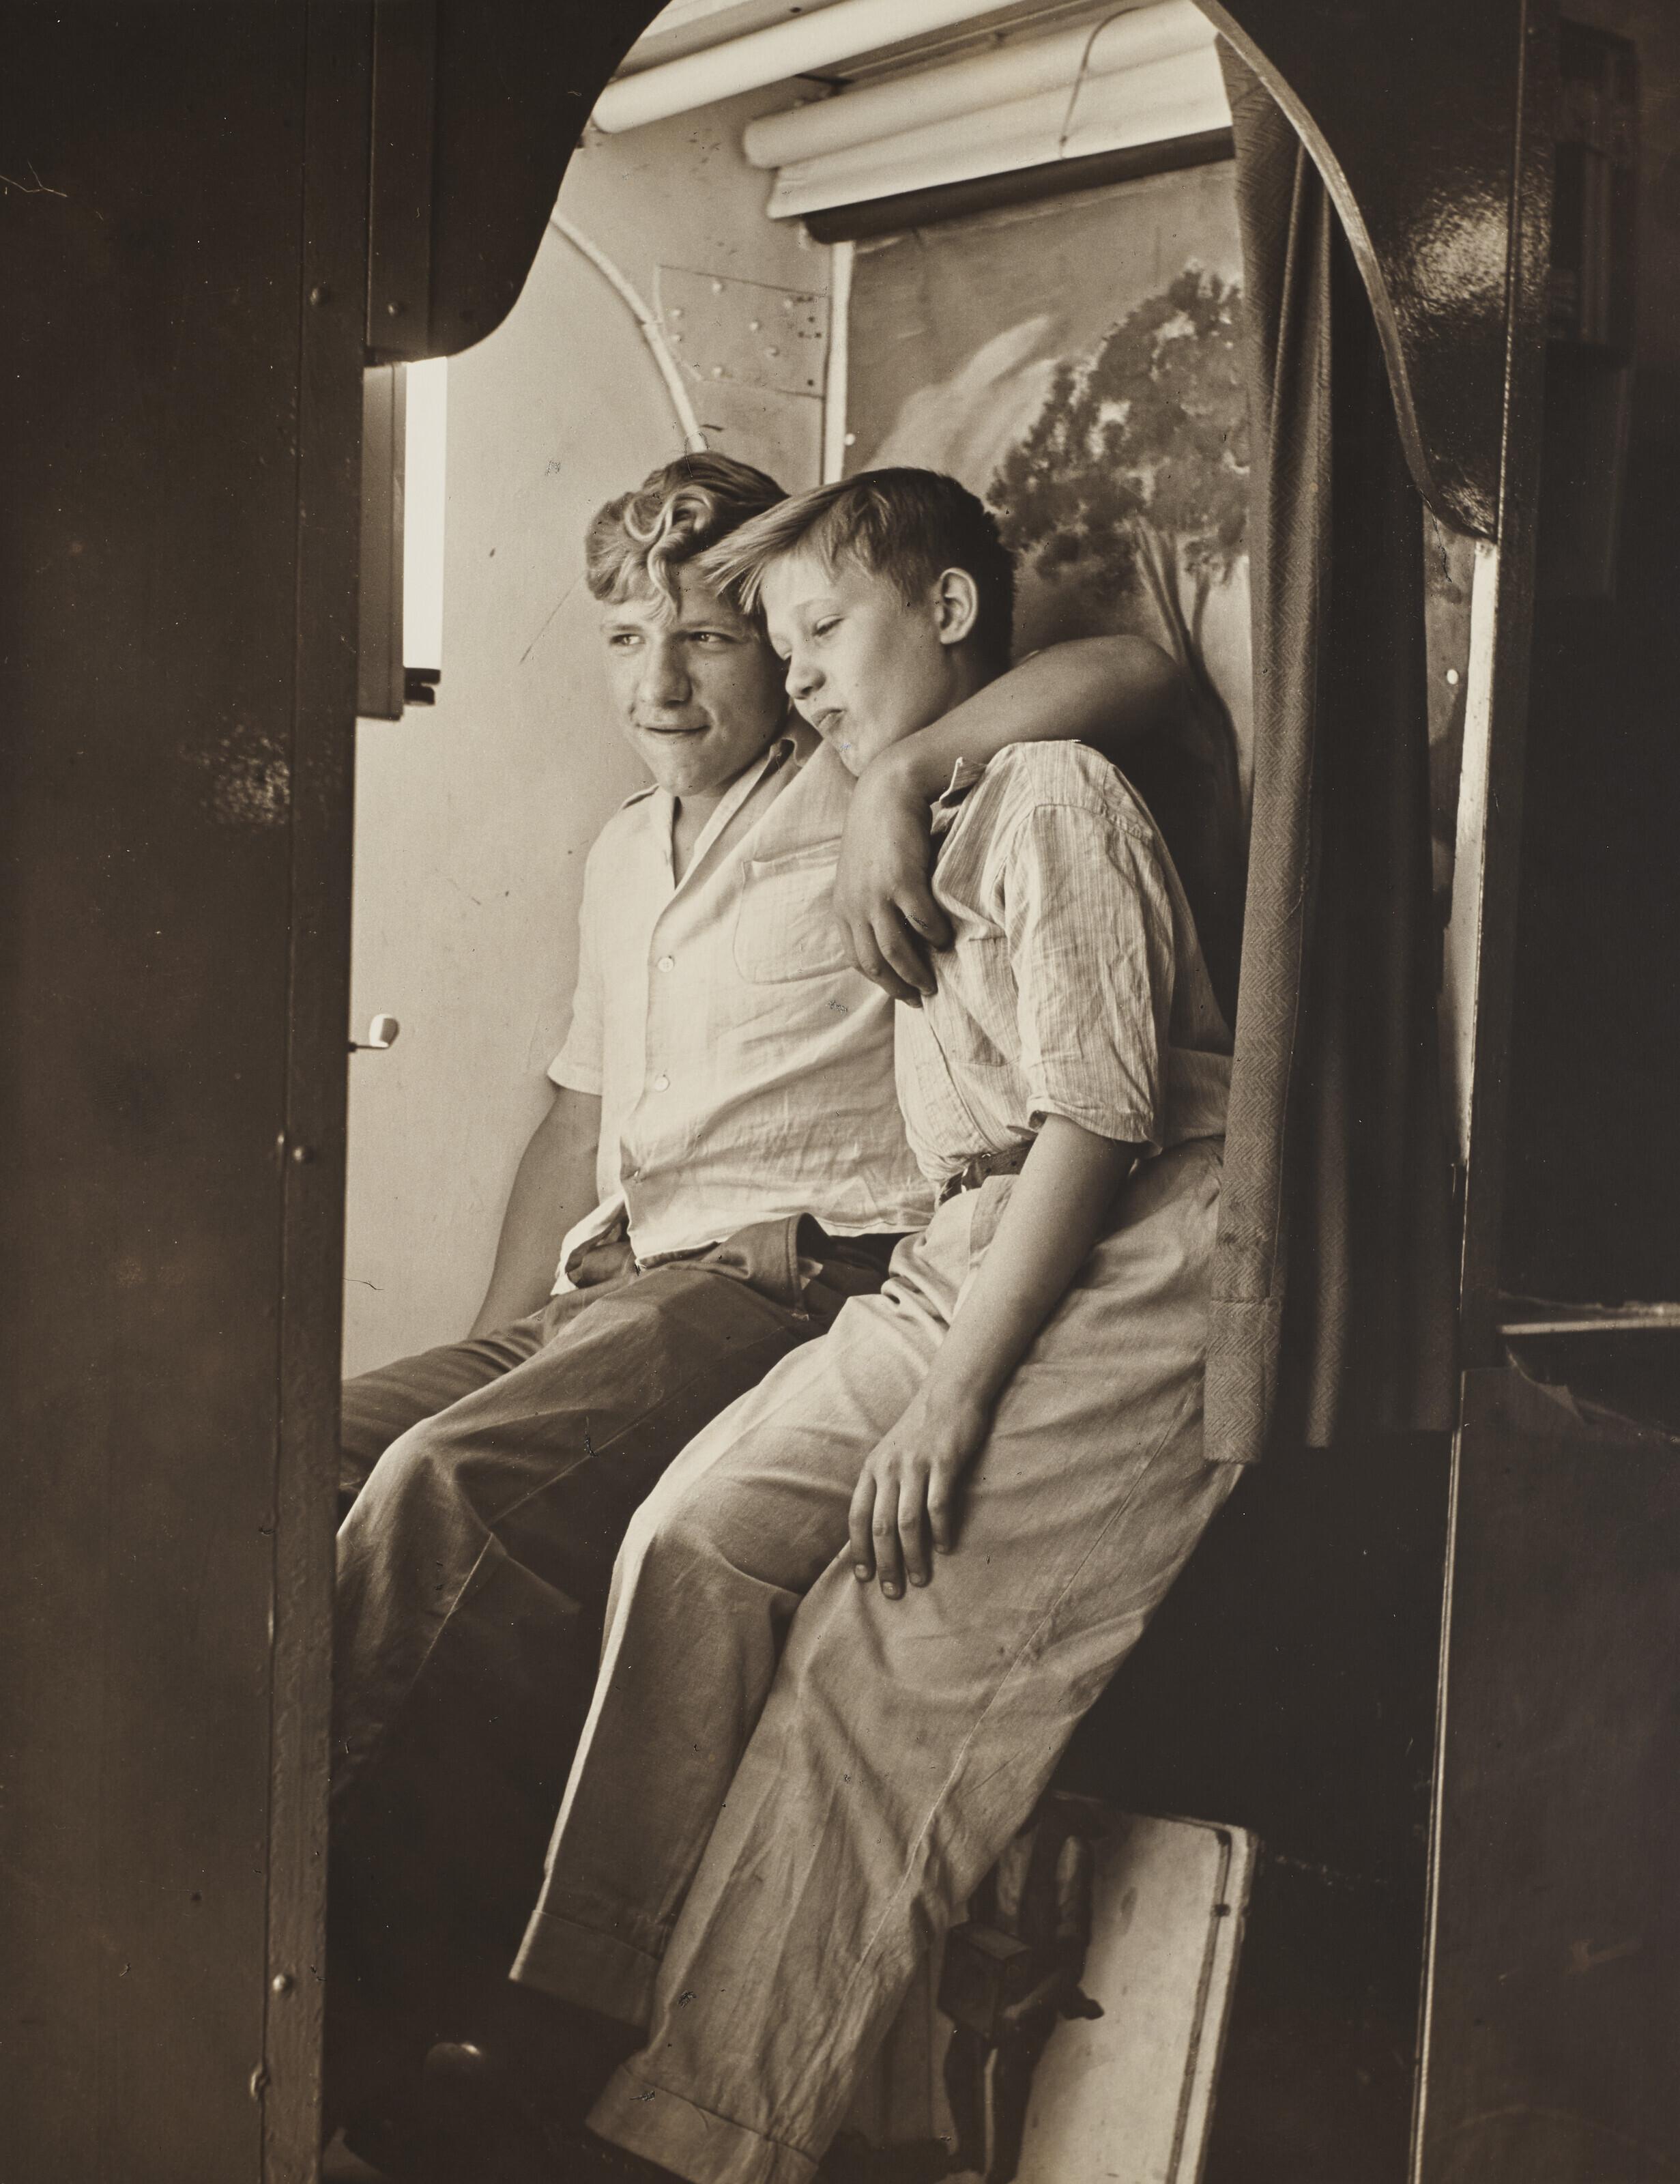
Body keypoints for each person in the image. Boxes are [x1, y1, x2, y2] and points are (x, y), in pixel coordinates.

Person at [325, 452, 1189, 2153]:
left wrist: (895, 780)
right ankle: (223, 1894)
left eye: (722, 638)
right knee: (313, 1444)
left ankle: (339, 1978)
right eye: (625, 638)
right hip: (615, 1280)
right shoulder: (622, 853)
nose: (668, 682)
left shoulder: (884, 787)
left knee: (455, 1491)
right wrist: (497, 1345)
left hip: (781, 1271)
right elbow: (580, 1112)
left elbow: (1137, 667)